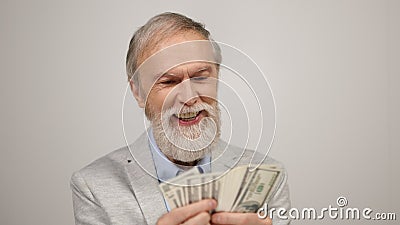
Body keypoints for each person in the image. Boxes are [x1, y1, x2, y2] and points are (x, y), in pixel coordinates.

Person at [70, 12, 291, 225]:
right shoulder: (93, 185)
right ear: (137, 92)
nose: (189, 97)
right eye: (168, 81)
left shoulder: (267, 174)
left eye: (200, 76)